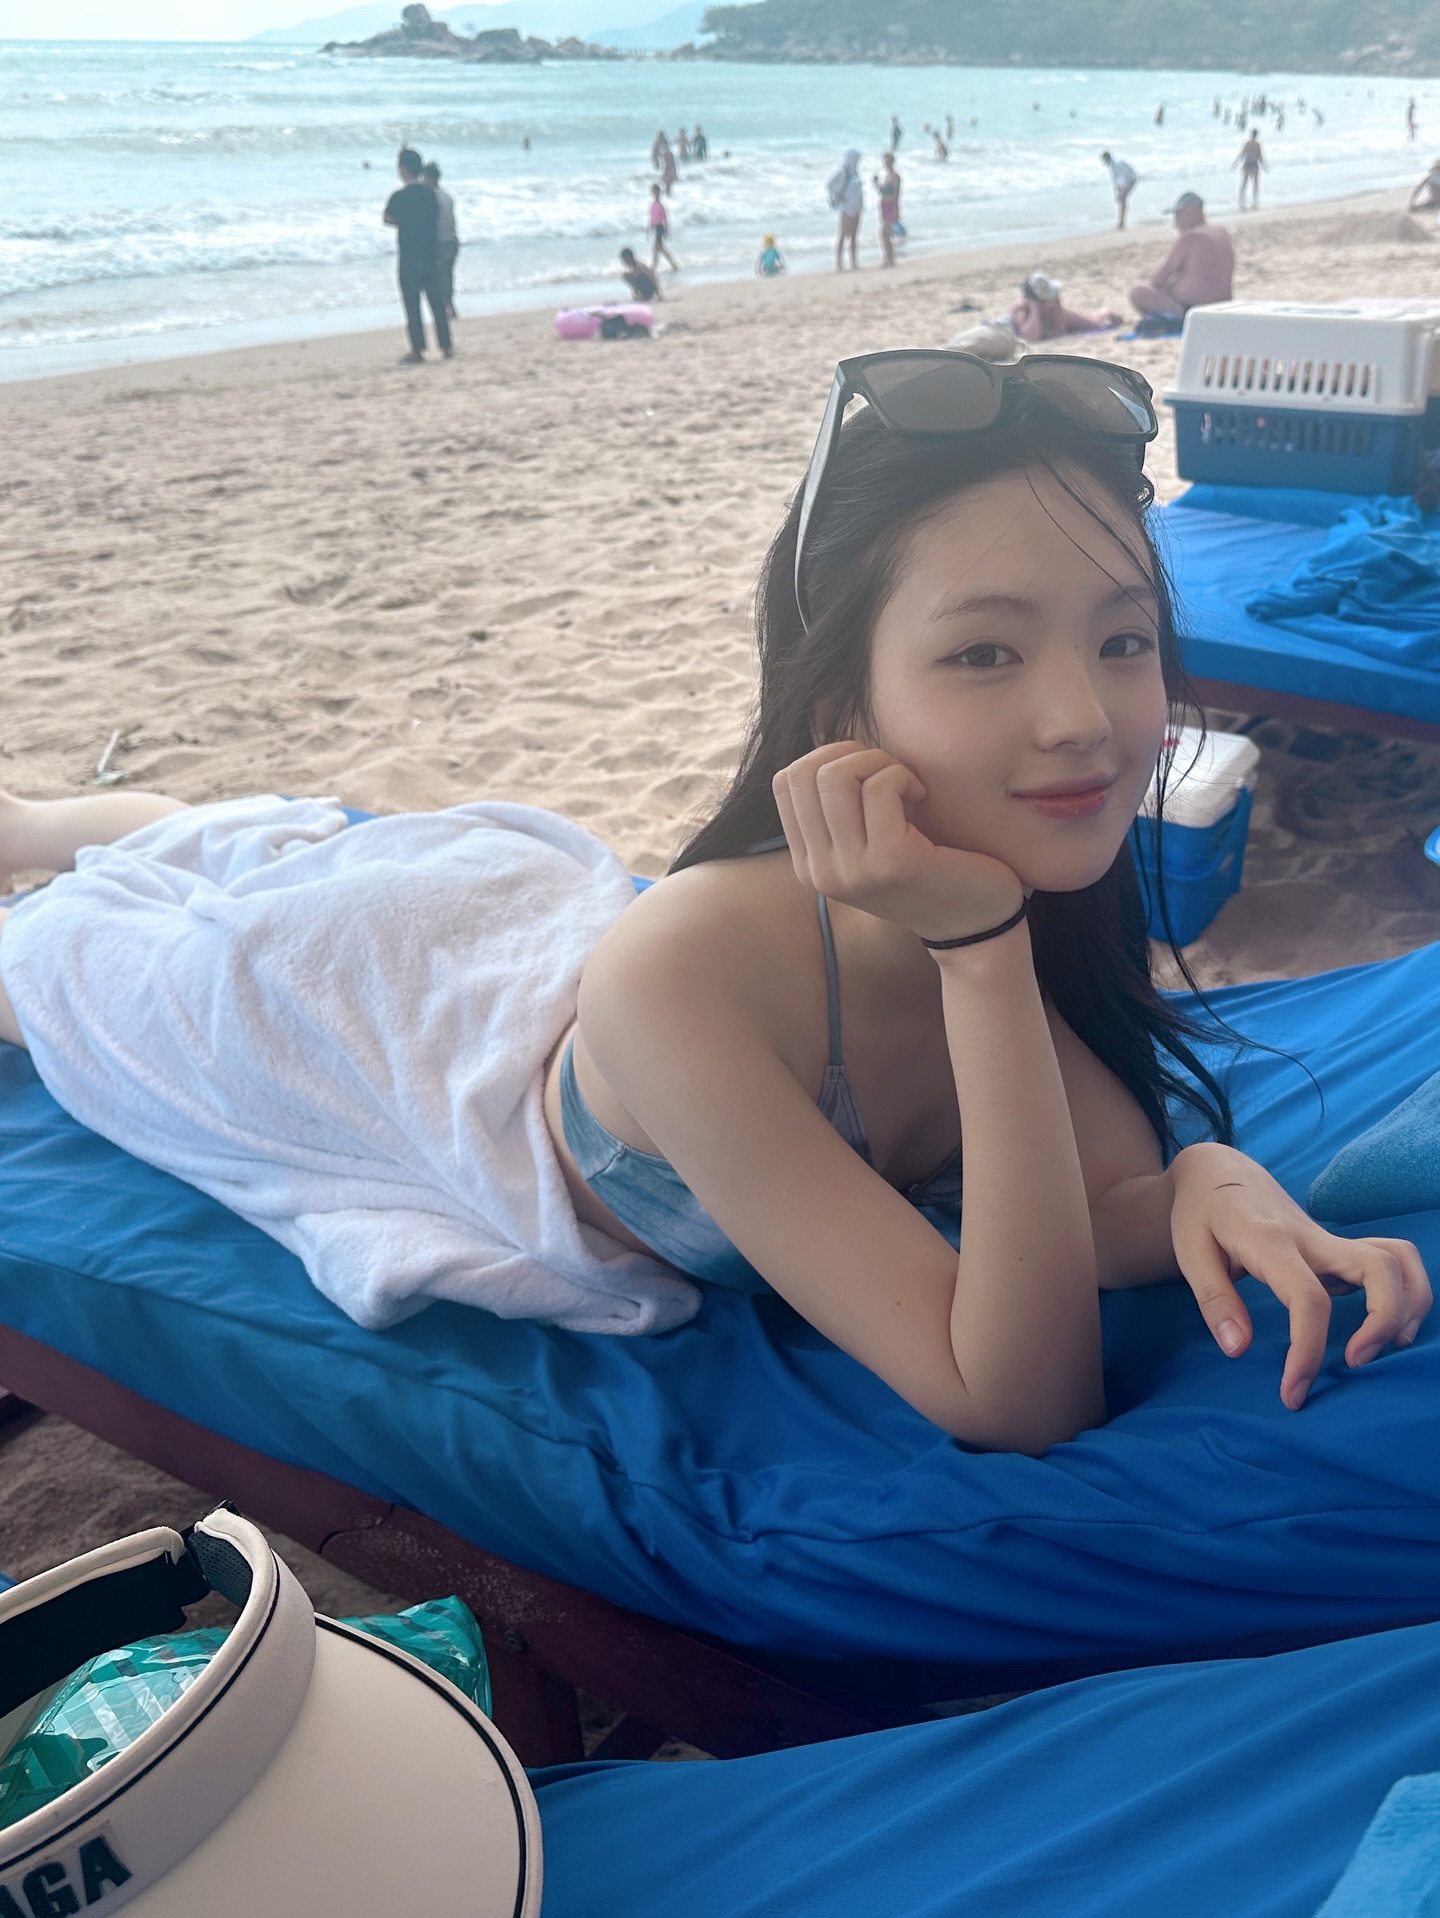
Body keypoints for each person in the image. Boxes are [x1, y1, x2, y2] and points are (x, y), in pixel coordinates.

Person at [0, 356, 1427, 1455]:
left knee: (283, 842)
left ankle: (68, 817)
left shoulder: (1009, 887)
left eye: (1122, 638)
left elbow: (1090, 1201)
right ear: (838, 704)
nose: (1084, 718)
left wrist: (1202, 1181)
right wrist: (979, 952)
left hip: (507, 919)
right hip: (387, 1008)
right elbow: (1018, 1397)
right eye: (985, 653)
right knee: (73, 958)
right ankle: (43, 831)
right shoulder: (714, 974)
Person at [382, 146, 451, 365]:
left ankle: (417, 350)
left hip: (409, 255)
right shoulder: (430, 195)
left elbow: (387, 218)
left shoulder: (399, 196)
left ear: (403, 170)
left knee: (412, 305)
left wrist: (405, 222)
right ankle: (446, 345)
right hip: (430, 253)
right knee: (436, 303)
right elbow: (436, 216)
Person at [1129, 191, 1233, 321]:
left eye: (1178, 214)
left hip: (1193, 309)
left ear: (1189, 211)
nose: (1175, 222)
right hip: (1223, 302)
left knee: (1137, 292)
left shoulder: (1190, 237)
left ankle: (1181, 318)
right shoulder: (1221, 232)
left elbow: (1159, 279)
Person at [1010, 271, 1120, 342]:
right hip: (1058, 317)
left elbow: (1060, 330)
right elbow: (1032, 336)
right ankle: (1103, 313)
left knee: (1095, 323)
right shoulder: (1021, 309)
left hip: (1067, 318)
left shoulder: (1053, 304)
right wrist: (1035, 308)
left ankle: (1105, 312)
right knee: (1093, 321)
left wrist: (1046, 331)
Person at [421, 160, 459, 320]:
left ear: (430, 178)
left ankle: (447, 309)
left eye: (424, 177)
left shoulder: (433, 198)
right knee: (446, 276)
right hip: (452, 241)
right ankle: (450, 308)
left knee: (438, 278)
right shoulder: (446, 196)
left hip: (441, 243)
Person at [828, 148, 863, 271]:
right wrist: (836, 196)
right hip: (846, 208)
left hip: (856, 208)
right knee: (842, 235)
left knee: (853, 236)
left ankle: (853, 263)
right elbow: (829, 184)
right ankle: (839, 264)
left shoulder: (854, 172)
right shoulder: (842, 171)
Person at [875, 152, 901, 267]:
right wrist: (876, 184)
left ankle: (890, 259)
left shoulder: (895, 176)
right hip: (884, 205)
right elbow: (882, 191)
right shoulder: (886, 176)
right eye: (885, 162)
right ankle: (888, 258)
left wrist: (896, 208)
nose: (886, 164)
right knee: (885, 234)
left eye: (888, 161)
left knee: (884, 233)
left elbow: (896, 193)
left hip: (890, 205)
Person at [1100, 150, 1136, 229]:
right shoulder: (1115, 162)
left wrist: (1118, 193)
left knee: (1122, 199)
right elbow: (1117, 181)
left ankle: (1121, 223)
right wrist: (1117, 192)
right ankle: (1121, 222)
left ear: (1106, 158)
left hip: (1130, 178)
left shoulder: (1114, 164)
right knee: (1121, 199)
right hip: (1129, 177)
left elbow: (1119, 179)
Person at [648, 183, 677, 272]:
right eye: (654, 192)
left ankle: (653, 266)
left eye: (656, 192)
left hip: (660, 228)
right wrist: (649, 228)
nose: (655, 194)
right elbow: (651, 217)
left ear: (659, 193)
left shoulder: (661, 205)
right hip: (655, 227)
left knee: (656, 248)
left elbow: (665, 218)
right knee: (660, 249)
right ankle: (673, 264)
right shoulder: (652, 204)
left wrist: (667, 230)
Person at [1233, 129, 1266, 211]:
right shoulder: (1257, 144)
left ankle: (1242, 201)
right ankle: (1253, 201)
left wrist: (1236, 162)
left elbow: (1242, 154)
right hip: (1253, 164)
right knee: (1254, 184)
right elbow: (1260, 156)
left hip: (1248, 164)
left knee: (1245, 183)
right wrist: (1264, 165)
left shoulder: (1248, 143)